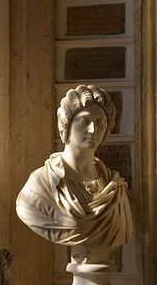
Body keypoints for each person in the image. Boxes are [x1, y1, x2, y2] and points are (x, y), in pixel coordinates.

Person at [16, 85, 132, 248]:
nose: (93, 129)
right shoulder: (39, 186)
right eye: (84, 121)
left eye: (100, 122)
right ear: (66, 126)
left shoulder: (115, 188)